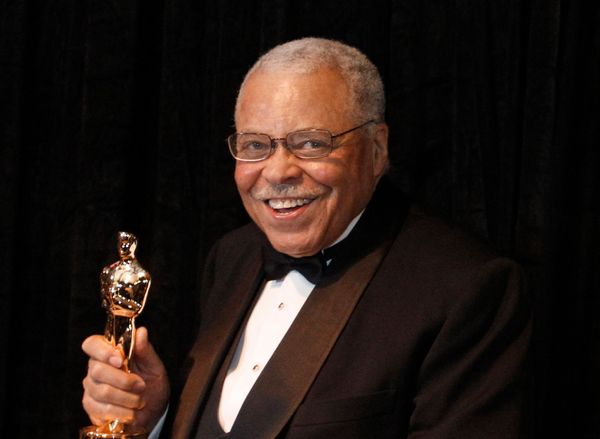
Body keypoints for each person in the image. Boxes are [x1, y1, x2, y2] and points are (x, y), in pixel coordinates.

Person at [81, 37, 531, 438]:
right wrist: (157, 417)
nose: (277, 172)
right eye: (256, 144)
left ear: (377, 149)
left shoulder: (468, 288)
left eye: (311, 143)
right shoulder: (231, 257)